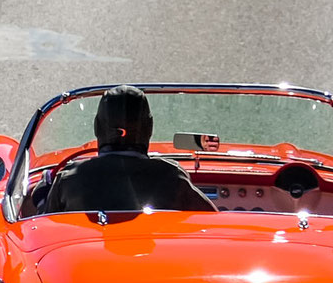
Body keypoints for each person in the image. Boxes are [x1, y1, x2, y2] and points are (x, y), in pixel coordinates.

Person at [41, 85, 215, 215]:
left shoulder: (69, 179)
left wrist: (41, 195)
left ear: (97, 127)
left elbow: (43, 228)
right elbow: (212, 222)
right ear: (149, 128)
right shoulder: (171, 177)